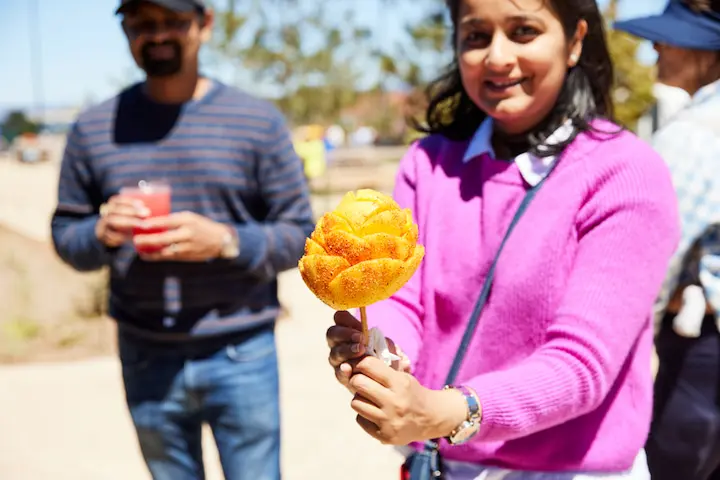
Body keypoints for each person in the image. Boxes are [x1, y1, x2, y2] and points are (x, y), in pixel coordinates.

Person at [325, 0, 680, 478]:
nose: (496, 57)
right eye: (476, 36)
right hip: (442, 462)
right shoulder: (427, 163)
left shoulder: (624, 173)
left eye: (523, 31)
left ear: (575, 40)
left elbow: (581, 364)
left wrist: (446, 412)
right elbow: (401, 298)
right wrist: (383, 358)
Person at [50, 0, 314, 479]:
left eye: (172, 21)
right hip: (144, 353)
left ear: (205, 24)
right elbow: (66, 237)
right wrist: (100, 232)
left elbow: (301, 235)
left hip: (242, 351)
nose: (157, 35)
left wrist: (226, 241)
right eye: (142, 24)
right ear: (126, 30)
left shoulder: (257, 121)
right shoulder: (93, 129)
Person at [614, 1, 720, 479]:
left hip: (704, 360)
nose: (655, 46)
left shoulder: (695, 134)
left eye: (671, 36)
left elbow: (649, 266)